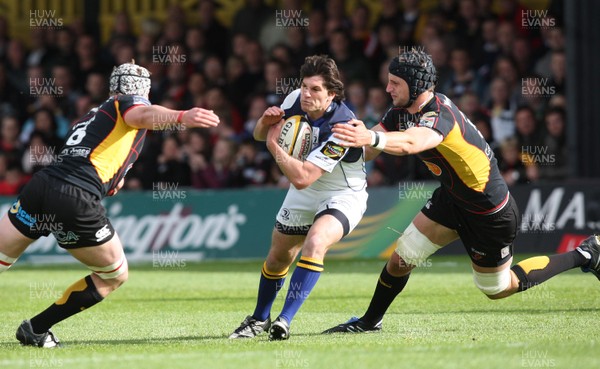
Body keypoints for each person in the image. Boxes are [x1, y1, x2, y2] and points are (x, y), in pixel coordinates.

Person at [322, 49, 600, 334]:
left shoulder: (440, 115)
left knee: (497, 288)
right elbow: (369, 149)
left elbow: (410, 143)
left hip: (488, 212)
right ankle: (370, 322)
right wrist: (328, 150)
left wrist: (369, 136)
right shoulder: (401, 112)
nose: (387, 88)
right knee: (401, 259)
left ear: (415, 85)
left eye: (394, 82)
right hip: (453, 199)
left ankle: (585, 253)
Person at [0, 61, 219, 347]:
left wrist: (112, 180)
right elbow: (142, 114)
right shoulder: (128, 103)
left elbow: (95, 158)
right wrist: (181, 116)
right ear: (143, 89)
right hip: (73, 197)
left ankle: (36, 329)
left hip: (41, 186)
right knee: (114, 275)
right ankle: (37, 328)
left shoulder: (92, 115)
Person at [229, 55, 367, 340]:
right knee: (278, 257)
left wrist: (272, 145)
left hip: (342, 193)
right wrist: (264, 123)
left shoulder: (343, 127)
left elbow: (302, 177)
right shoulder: (293, 99)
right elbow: (258, 134)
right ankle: (259, 318)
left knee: (316, 242)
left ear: (332, 94)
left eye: (315, 89)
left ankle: (284, 320)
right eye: (304, 86)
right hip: (305, 188)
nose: (306, 93)